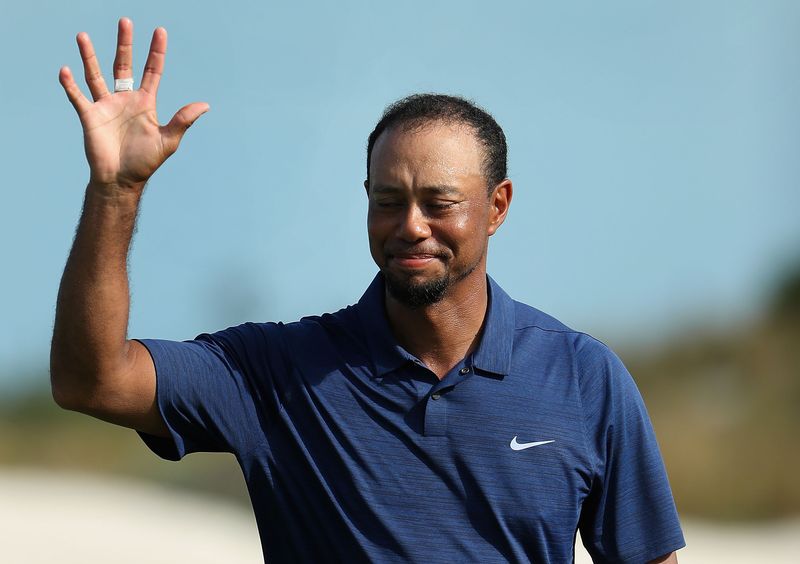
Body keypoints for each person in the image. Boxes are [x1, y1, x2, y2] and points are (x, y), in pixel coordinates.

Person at [52, 18, 685, 564]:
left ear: (497, 207)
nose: (411, 225)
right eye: (388, 202)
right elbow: (92, 380)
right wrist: (116, 191)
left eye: (440, 203)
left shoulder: (582, 376)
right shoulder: (276, 373)